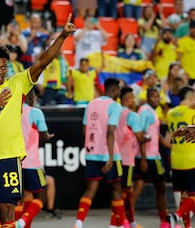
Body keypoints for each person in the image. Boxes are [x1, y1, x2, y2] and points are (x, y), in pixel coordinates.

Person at [0, 14, 75, 228]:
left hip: (9, 159)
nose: (0, 72)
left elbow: (41, 61)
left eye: (3, 67)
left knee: (7, 214)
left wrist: (62, 36)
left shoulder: (16, 84)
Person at [73, 78, 125, 228]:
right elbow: (110, 132)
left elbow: (85, 131)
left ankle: (79, 222)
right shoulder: (115, 106)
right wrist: (109, 157)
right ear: (114, 90)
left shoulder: (91, 104)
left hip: (91, 153)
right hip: (110, 155)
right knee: (116, 190)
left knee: (90, 190)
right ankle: (120, 225)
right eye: (119, 91)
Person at [132, 88, 172, 228]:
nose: (157, 99)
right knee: (138, 189)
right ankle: (127, 219)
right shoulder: (145, 111)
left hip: (154, 156)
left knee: (160, 188)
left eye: (158, 97)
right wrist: (143, 159)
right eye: (153, 97)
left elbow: (156, 134)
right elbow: (141, 135)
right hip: (147, 157)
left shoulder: (153, 112)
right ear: (148, 97)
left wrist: (169, 145)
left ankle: (164, 222)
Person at [16, 88, 54, 228]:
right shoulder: (35, 112)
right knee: (40, 196)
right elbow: (44, 136)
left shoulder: (13, 112)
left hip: (16, 163)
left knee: (22, 198)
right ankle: (23, 221)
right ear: (32, 98)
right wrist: (47, 136)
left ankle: (20, 223)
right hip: (31, 163)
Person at [117, 87, 149, 228]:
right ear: (127, 99)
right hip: (127, 159)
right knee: (125, 191)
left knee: (123, 191)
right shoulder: (132, 116)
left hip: (116, 157)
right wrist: (148, 137)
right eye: (133, 98)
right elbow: (140, 138)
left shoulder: (115, 112)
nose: (135, 100)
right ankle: (122, 220)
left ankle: (129, 221)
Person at [166, 86, 195, 228]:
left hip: (176, 160)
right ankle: (176, 215)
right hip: (191, 160)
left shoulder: (170, 113)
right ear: (190, 98)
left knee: (184, 196)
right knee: (193, 197)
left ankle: (187, 226)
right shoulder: (192, 114)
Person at [177, 20, 195, 86]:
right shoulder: (183, 41)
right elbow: (179, 58)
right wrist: (182, 71)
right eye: (192, 28)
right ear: (189, 29)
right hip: (187, 76)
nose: (194, 30)